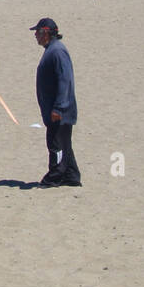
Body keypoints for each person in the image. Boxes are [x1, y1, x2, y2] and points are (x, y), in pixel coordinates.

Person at [31, 17, 81, 187]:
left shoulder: (57, 51)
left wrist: (58, 108)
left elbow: (65, 80)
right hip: (55, 109)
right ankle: (71, 176)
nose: (35, 35)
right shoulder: (51, 50)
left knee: (56, 144)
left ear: (46, 33)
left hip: (60, 111)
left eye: (37, 32)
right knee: (64, 144)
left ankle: (54, 177)